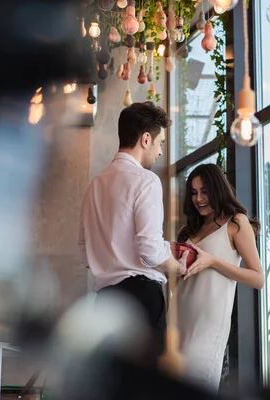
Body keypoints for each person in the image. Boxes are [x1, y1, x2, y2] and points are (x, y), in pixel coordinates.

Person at [78, 101, 188, 362]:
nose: (160, 152)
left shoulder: (94, 185)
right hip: (141, 299)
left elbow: (85, 254)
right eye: (160, 143)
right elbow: (150, 249)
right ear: (146, 139)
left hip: (104, 301)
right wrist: (178, 267)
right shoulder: (145, 180)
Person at [175, 163, 265, 392]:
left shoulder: (236, 223)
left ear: (217, 189)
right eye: (194, 193)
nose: (199, 199)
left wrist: (213, 261)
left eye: (204, 191)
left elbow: (258, 278)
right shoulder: (187, 231)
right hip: (178, 319)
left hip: (209, 324)